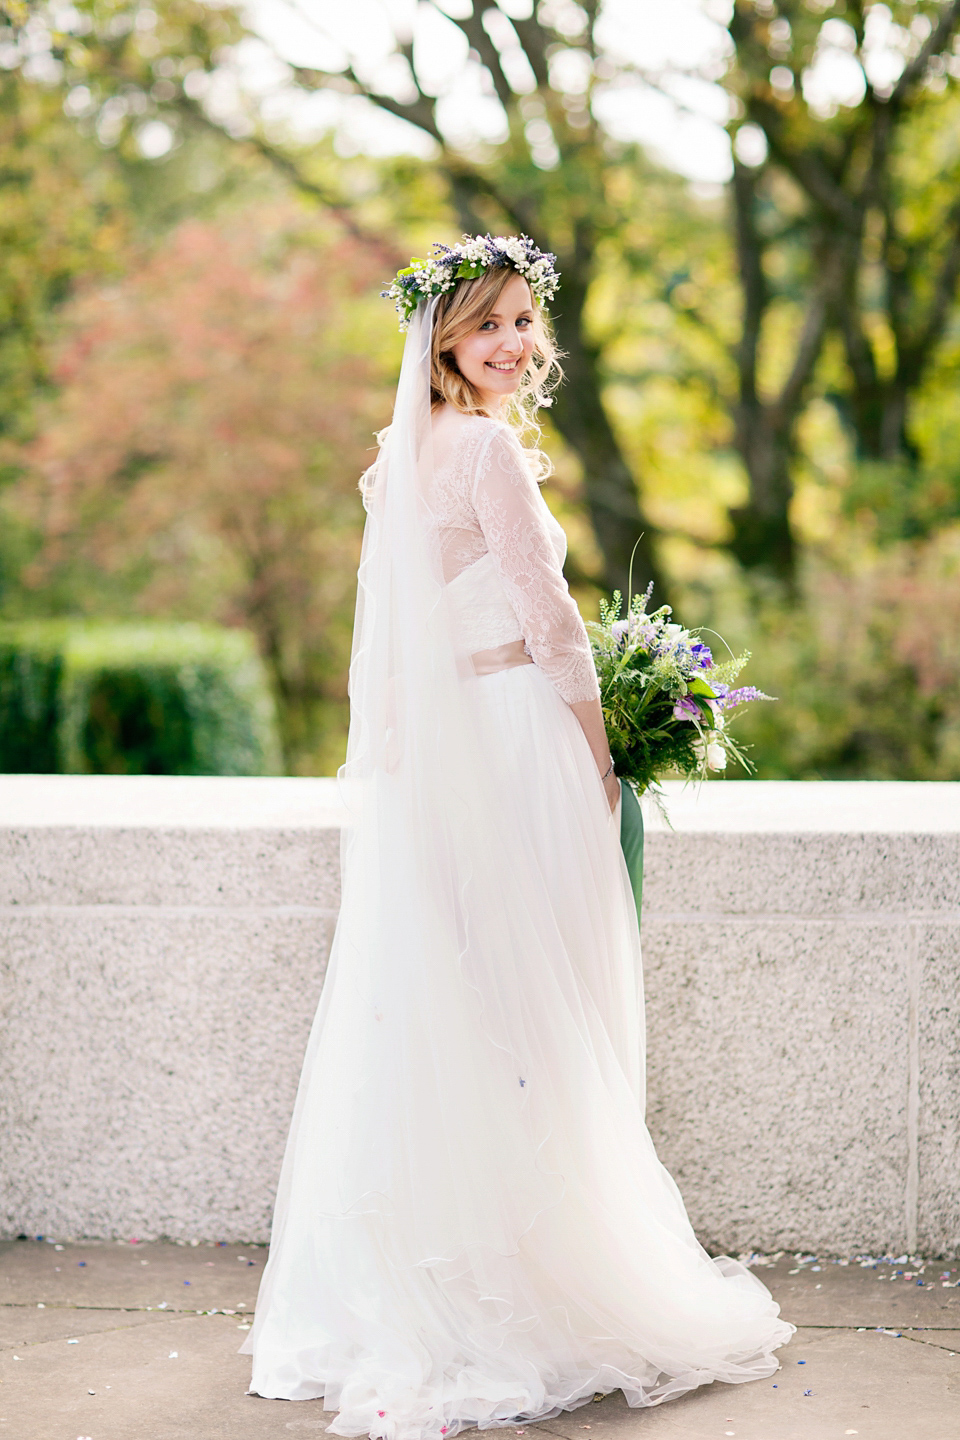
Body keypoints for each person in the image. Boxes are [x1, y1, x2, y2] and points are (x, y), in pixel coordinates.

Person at [241, 236, 792, 1438]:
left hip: (442, 761)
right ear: (442, 338)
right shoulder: (481, 446)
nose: (510, 342)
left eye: (524, 321)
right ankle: (532, 1291)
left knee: (463, 1005)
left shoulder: (399, 455)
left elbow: (388, 635)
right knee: (540, 1002)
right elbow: (550, 619)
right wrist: (599, 752)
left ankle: (463, 1274)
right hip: (513, 739)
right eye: (487, 323)